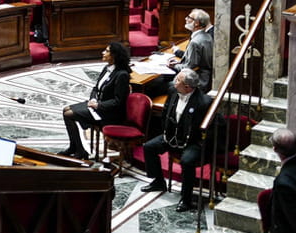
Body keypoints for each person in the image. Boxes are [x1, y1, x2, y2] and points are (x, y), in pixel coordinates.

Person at [141, 68, 213, 211]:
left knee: (187, 161)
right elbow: (166, 112)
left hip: (193, 141)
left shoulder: (204, 102)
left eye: (178, 80)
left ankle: (186, 199)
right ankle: (158, 181)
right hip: (172, 136)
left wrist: (199, 143)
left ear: (187, 87)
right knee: (149, 147)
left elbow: (210, 129)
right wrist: (166, 132)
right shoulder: (173, 91)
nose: (175, 81)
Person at [61, 42, 131, 158]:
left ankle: (80, 151)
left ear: (114, 55)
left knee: (69, 114)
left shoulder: (122, 75)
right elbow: (96, 88)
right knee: (65, 110)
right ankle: (73, 147)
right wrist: (93, 99)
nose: (103, 52)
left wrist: (98, 105)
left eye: (107, 51)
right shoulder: (107, 68)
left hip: (108, 113)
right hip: (97, 105)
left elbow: (118, 101)